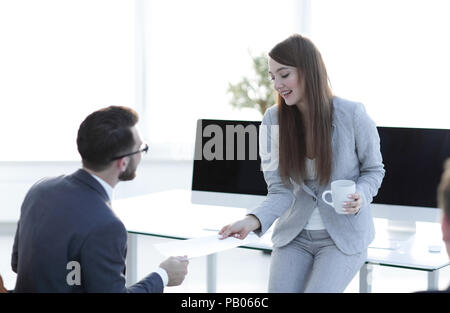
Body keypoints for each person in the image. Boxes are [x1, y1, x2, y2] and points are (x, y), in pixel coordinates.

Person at [219, 34, 385, 292]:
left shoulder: (353, 114)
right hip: (294, 237)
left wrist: (361, 194)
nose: (277, 84)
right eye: (272, 77)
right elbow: (279, 190)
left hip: (342, 238)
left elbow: (374, 169)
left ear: (309, 71)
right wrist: (252, 220)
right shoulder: (272, 120)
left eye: (284, 75)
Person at [11, 106, 189, 292]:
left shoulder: (40, 189)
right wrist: (163, 275)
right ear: (123, 162)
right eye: (141, 149)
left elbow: (18, 265)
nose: (142, 154)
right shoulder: (107, 225)